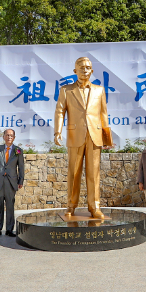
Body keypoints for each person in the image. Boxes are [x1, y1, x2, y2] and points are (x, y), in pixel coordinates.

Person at [54, 57, 110, 219]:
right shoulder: (66, 90)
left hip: (95, 136)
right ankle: (71, 205)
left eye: (88, 68)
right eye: (81, 68)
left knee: (94, 173)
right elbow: (59, 111)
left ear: (92, 71)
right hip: (75, 135)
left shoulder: (99, 90)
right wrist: (57, 131)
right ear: (75, 71)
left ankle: (95, 207)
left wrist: (106, 138)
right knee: (74, 172)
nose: (85, 70)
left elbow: (103, 114)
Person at [0, 129, 25, 237]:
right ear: (3, 137)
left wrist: (20, 180)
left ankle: (9, 230)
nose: (9, 137)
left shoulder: (18, 150)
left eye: (11, 135)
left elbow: (21, 167)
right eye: (7, 135)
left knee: (10, 206)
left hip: (11, 182)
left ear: (14, 137)